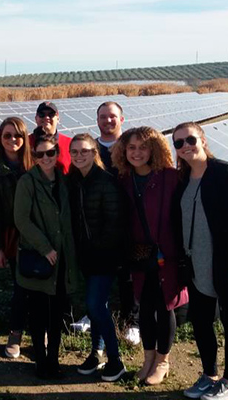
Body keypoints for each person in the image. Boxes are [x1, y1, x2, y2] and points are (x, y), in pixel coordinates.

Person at [111, 126, 188, 385]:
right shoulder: (124, 179)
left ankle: (163, 361)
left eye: (143, 147)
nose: (137, 152)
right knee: (144, 305)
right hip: (139, 254)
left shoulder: (170, 177)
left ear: (154, 148)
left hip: (167, 254)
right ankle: (148, 358)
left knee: (165, 305)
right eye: (131, 147)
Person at [14, 134, 78, 379]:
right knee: (39, 313)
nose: (46, 158)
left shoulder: (63, 181)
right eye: (40, 154)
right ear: (34, 156)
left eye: (50, 153)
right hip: (41, 258)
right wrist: (45, 248)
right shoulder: (27, 182)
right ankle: (41, 361)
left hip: (62, 259)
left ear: (57, 154)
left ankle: (54, 359)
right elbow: (21, 220)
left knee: (56, 313)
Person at [173, 122, 228, 399]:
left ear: (202, 139)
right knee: (202, 323)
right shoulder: (182, 181)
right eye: (179, 143)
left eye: (190, 139)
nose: (185, 146)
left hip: (223, 263)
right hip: (195, 265)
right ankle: (209, 375)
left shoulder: (223, 173)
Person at [68, 134, 126, 382]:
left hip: (103, 257)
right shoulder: (73, 181)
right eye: (75, 152)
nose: (79, 155)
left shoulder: (105, 182)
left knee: (94, 305)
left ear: (95, 153)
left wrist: (99, 252)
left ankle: (115, 360)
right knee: (95, 307)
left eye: (85, 151)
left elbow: (113, 224)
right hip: (85, 256)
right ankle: (96, 353)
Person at [0, 117, 32, 358]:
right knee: (20, 286)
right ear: (0, 139)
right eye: (7, 135)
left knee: (41, 287)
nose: (13, 140)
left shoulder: (34, 165)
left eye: (17, 135)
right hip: (13, 238)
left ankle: (39, 332)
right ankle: (15, 335)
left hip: (39, 238)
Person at [92, 101, 142, 346]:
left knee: (128, 274)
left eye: (112, 116)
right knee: (97, 268)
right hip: (98, 221)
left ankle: (132, 321)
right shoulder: (90, 149)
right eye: (103, 117)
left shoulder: (131, 147)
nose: (108, 121)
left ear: (121, 119)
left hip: (128, 220)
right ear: (97, 120)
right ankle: (93, 313)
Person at [29, 101, 71, 173]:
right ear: (36, 118)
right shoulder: (26, 143)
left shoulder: (70, 143)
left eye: (51, 114)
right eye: (42, 114)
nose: (46, 118)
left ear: (58, 118)